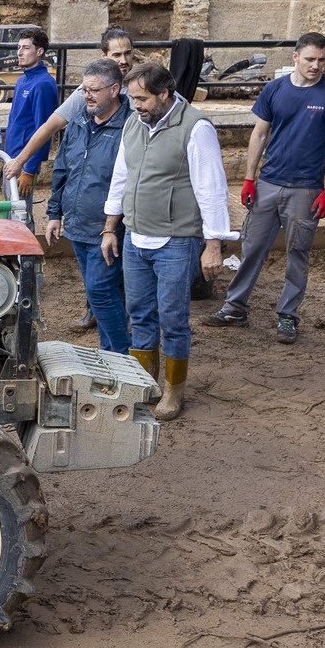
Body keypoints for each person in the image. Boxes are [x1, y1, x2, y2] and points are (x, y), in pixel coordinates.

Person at [101, 63, 236, 420]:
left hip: (176, 240)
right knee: (140, 314)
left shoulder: (195, 128)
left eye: (142, 98)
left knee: (173, 318)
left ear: (165, 94)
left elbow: (212, 189)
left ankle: (174, 391)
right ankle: (147, 383)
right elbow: (121, 175)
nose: (136, 105)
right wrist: (110, 227)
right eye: (132, 98)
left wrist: (213, 244)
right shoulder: (135, 122)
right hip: (135, 236)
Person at [201, 32, 325, 344]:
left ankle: (288, 315)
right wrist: (249, 178)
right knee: (252, 247)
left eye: (322, 61)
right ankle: (235, 308)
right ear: (295, 58)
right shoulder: (275, 89)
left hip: (306, 189)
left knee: (297, 253)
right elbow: (259, 134)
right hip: (268, 183)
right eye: (310, 59)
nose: (316, 66)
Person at [4, 27, 137, 329]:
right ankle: (98, 311)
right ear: (104, 56)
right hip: (91, 197)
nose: (124, 60)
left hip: (125, 197)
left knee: (118, 266)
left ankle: (119, 319)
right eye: (117, 54)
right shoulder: (87, 93)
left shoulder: (139, 89)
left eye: (128, 53)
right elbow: (52, 128)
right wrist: (23, 161)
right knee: (98, 269)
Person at [46, 59, 133, 354]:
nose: (87, 96)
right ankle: (112, 351)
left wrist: (112, 226)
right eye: (84, 90)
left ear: (115, 89)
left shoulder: (129, 125)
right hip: (78, 222)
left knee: (101, 291)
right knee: (98, 293)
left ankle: (120, 354)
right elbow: (62, 167)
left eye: (94, 90)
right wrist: (55, 212)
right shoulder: (81, 120)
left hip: (108, 226)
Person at [5, 27, 58, 232]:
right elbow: (15, 123)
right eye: (18, 47)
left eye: (26, 48)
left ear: (40, 52)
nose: (19, 52)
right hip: (12, 159)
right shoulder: (22, 80)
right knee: (11, 210)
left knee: (21, 214)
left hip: (24, 163)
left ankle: (27, 258)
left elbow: (44, 130)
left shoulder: (43, 85)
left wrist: (29, 170)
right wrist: (6, 158)